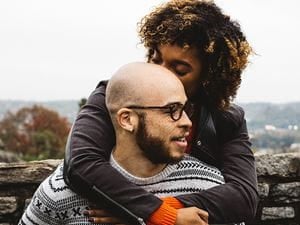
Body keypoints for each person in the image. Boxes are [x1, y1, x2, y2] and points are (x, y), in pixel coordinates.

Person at [64, 0, 259, 224]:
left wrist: (161, 212)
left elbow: (244, 197)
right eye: (155, 58)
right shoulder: (114, 96)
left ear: (208, 78)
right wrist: (155, 213)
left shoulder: (226, 119)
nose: (160, 72)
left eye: (179, 69)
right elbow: (80, 163)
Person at [19, 62, 233, 225]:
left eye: (186, 109)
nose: (187, 122)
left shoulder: (208, 185)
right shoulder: (61, 191)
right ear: (127, 120)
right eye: (172, 110)